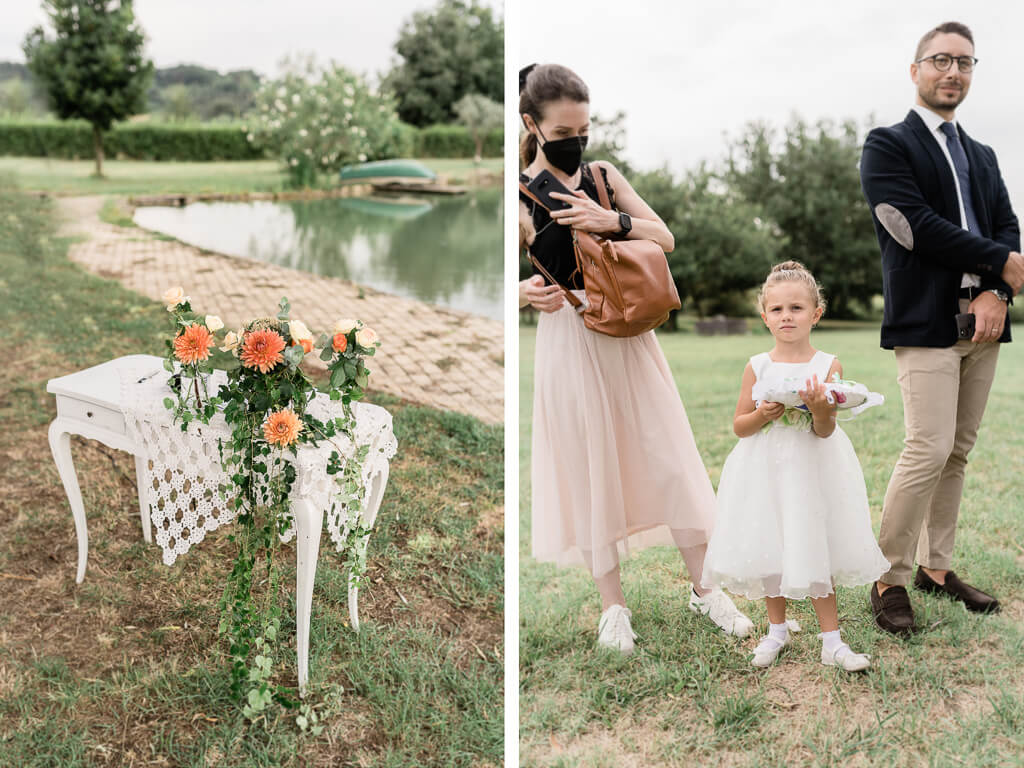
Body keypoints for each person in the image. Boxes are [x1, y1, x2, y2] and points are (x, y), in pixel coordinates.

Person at [518, 63, 752, 654]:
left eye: (584, 128)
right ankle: (613, 609)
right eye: (564, 130)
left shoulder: (601, 175)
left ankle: (706, 590)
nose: (576, 141)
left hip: (630, 335)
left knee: (668, 456)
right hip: (570, 340)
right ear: (532, 124)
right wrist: (521, 291)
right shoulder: (518, 195)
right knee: (592, 466)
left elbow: (664, 237)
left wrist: (611, 220)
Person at [859, 21, 1024, 635]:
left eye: (965, 62)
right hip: (925, 318)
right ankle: (889, 577)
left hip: (985, 322)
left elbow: (1008, 228)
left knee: (957, 450)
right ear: (916, 70)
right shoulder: (887, 144)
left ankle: (936, 569)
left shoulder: (981, 154)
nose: (953, 72)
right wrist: (996, 263)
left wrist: (996, 290)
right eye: (941, 60)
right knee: (926, 448)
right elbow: (913, 225)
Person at [701, 262, 890, 670]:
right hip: (765, 468)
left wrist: (821, 408)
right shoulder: (757, 365)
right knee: (772, 545)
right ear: (764, 315)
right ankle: (776, 631)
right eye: (778, 309)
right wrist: (764, 415)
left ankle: (832, 642)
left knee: (814, 543)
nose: (787, 316)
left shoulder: (827, 366)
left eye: (797, 308)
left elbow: (824, 431)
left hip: (812, 470)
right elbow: (739, 426)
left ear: (816, 313)